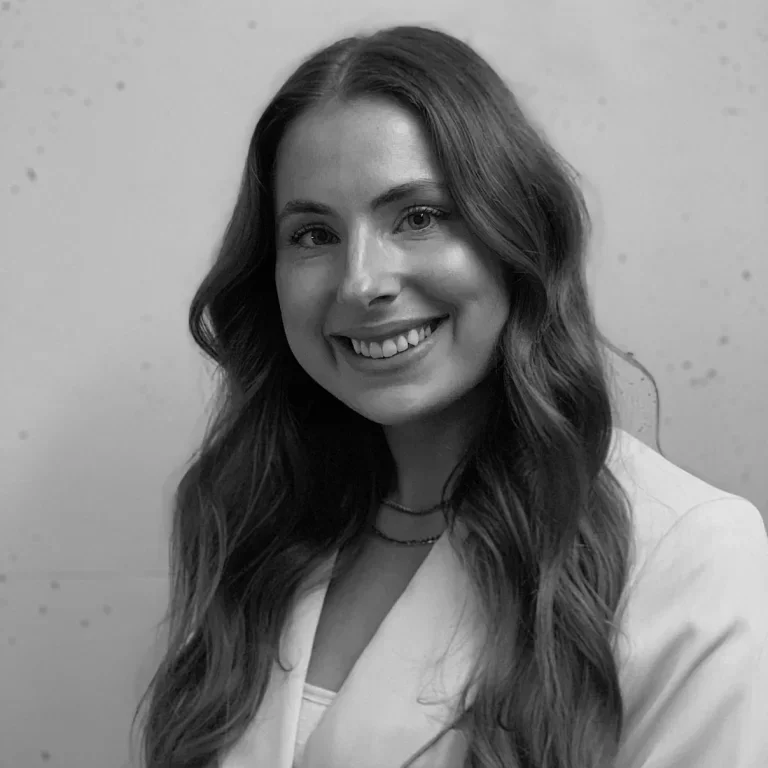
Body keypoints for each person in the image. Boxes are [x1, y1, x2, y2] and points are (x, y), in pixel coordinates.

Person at [131, 24, 768, 768]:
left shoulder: (691, 553)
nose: (362, 280)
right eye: (312, 233)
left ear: (518, 234)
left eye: (420, 217)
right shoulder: (244, 521)